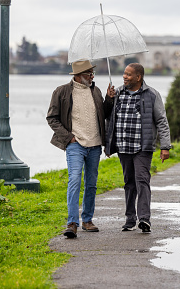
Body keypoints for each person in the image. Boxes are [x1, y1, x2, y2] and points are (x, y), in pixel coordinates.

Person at [47, 59, 114, 238]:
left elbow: (104, 114)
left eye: (92, 73)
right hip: (75, 144)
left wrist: (109, 99)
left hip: (94, 145)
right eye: (88, 74)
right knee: (75, 180)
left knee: (91, 184)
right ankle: (72, 223)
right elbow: (52, 118)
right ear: (77, 76)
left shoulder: (96, 90)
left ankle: (87, 220)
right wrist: (69, 138)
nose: (92, 76)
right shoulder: (61, 92)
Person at [104, 63, 172, 233]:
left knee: (142, 180)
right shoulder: (117, 93)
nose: (124, 77)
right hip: (123, 145)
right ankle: (129, 219)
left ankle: (144, 219)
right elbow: (106, 116)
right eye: (124, 74)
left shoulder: (152, 95)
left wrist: (165, 146)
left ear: (138, 77)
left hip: (143, 146)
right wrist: (109, 99)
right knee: (129, 182)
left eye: (128, 74)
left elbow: (161, 121)